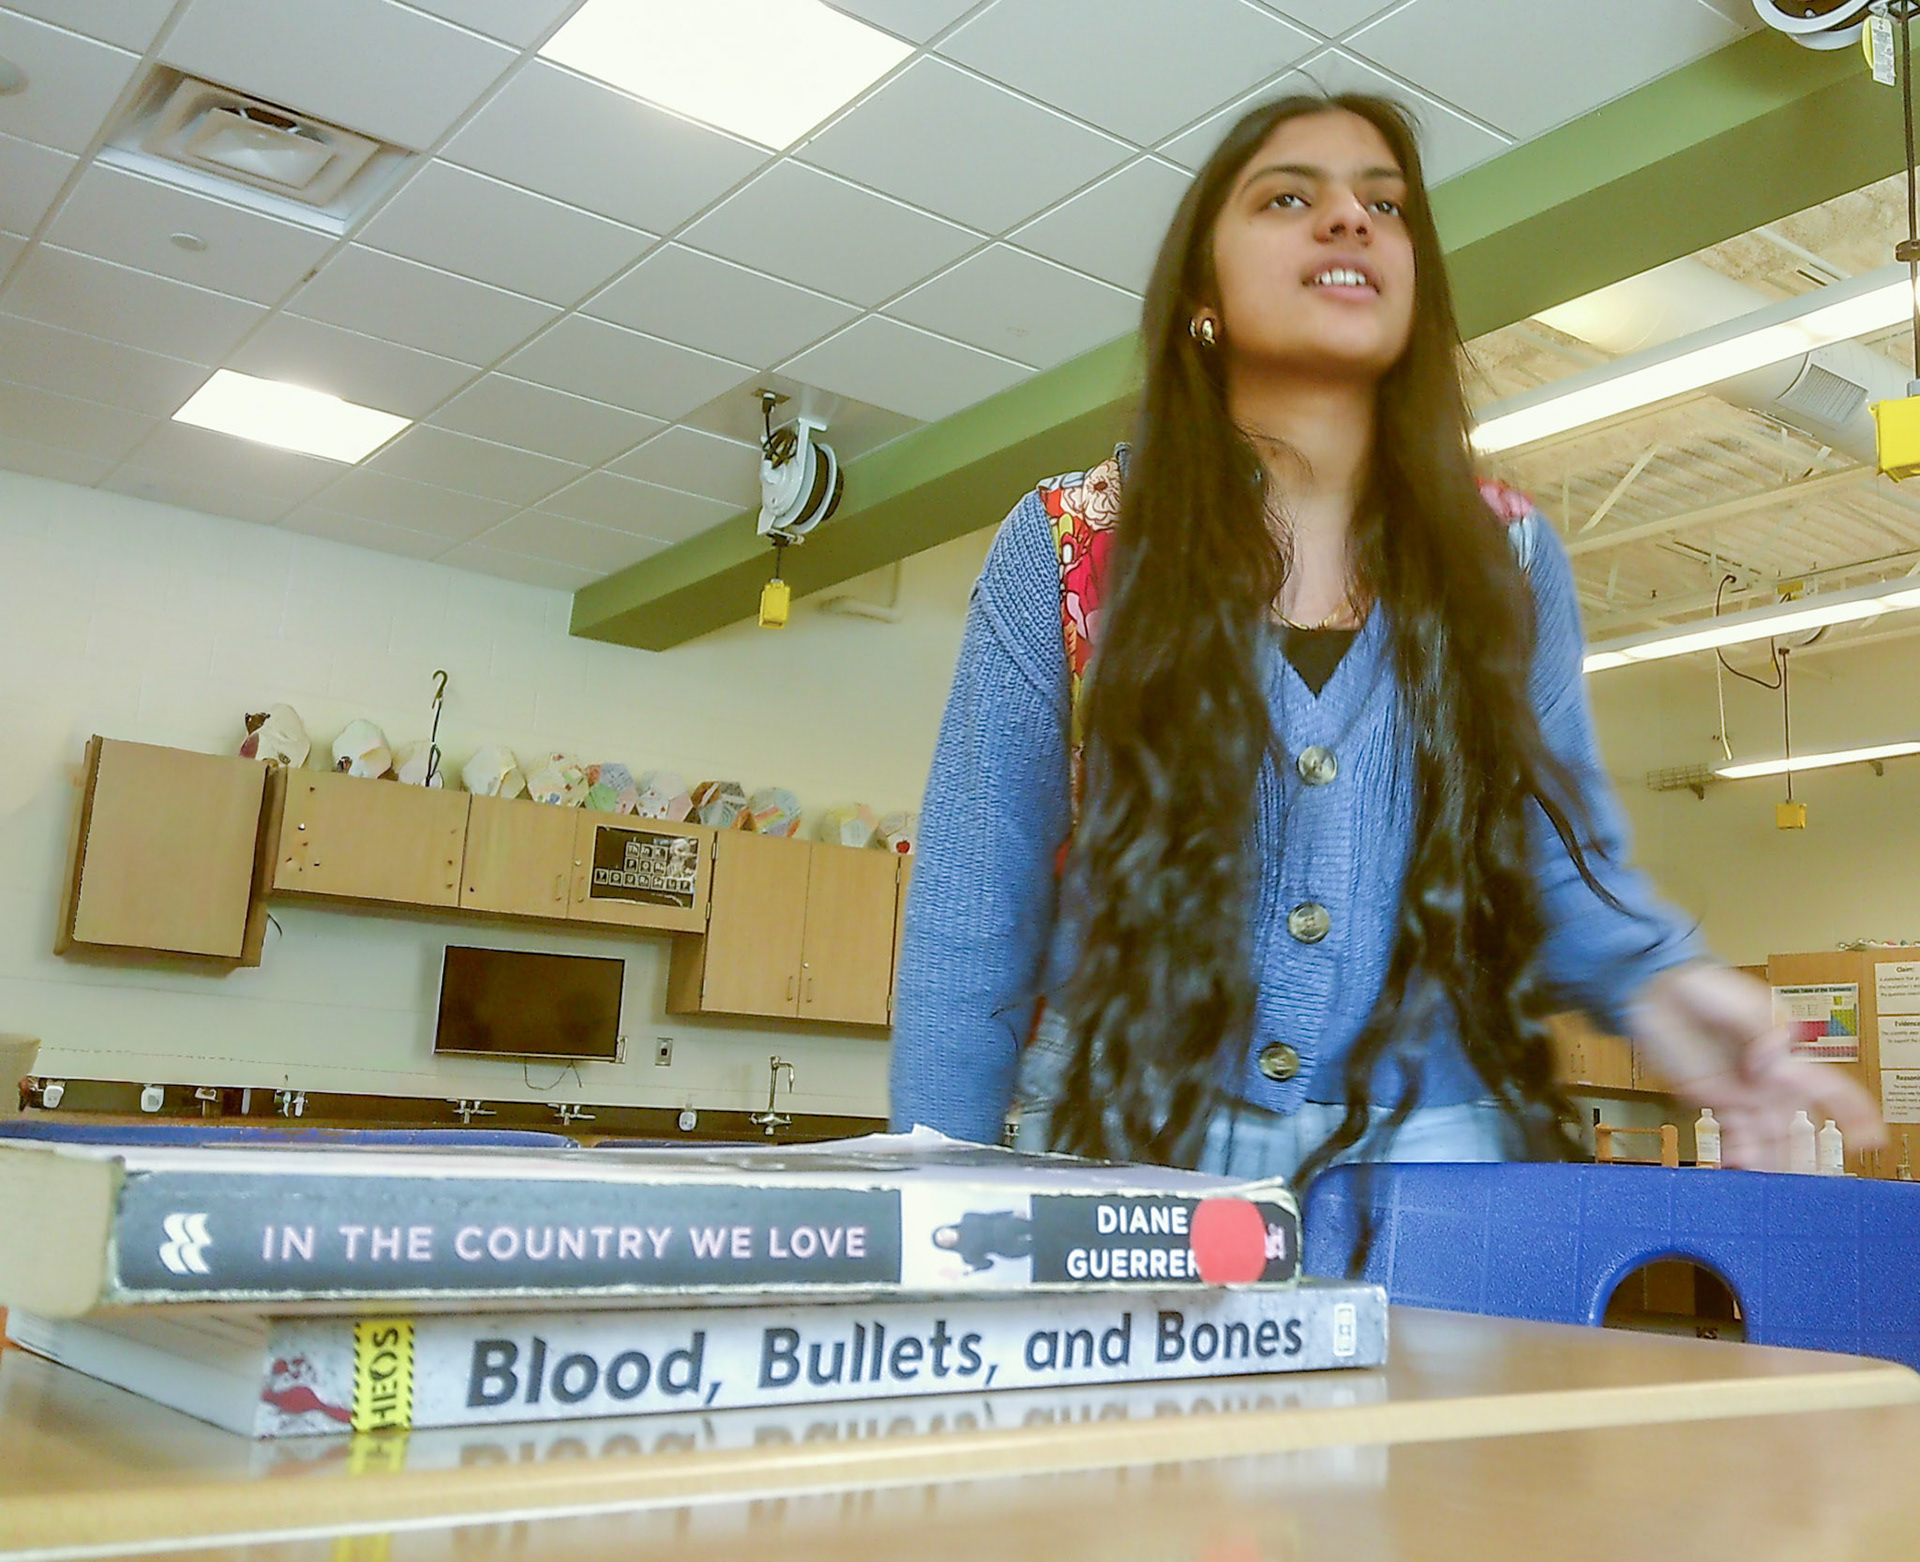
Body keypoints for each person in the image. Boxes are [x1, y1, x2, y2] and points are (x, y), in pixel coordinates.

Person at [888, 92, 1883, 1185]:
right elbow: (972, 919)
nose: (1351, 219)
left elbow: (1554, 864)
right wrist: (940, 1204)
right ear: (1201, 296)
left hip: (1436, 1167)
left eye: (1387, 204)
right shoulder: (1069, 545)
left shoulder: (1506, 559)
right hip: (1128, 1157)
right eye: (1287, 197)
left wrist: (1665, 980)